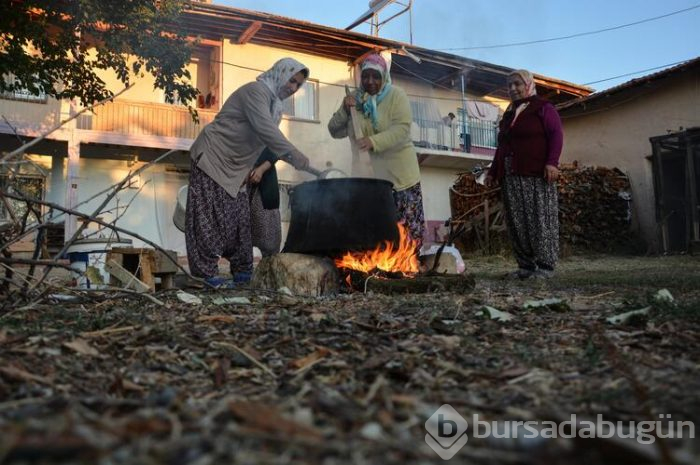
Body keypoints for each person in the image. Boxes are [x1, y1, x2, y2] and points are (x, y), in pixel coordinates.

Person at [186, 58, 310, 287]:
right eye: (291, 80)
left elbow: (260, 144)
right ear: (279, 74)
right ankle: (205, 276)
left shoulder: (276, 108)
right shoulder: (256, 92)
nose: (292, 88)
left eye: (298, 85)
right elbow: (265, 131)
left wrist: (251, 167)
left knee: (239, 221)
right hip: (212, 157)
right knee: (209, 219)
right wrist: (294, 155)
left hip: (235, 167)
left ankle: (243, 273)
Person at [327, 53, 426, 251]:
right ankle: (378, 267)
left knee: (405, 232)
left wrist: (373, 141)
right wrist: (345, 110)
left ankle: (409, 268)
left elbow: (402, 129)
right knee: (375, 228)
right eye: (365, 76)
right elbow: (334, 130)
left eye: (375, 76)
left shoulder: (396, 96)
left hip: (400, 177)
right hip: (369, 178)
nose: (370, 81)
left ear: (384, 77)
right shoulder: (354, 99)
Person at [484, 69, 563, 279]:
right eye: (509, 85)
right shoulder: (509, 114)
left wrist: (552, 163)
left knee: (539, 219)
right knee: (517, 221)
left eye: (517, 84)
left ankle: (545, 267)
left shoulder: (543, 108)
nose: (513, 89)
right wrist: (493, 172)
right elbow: (501, 146)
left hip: (536, 173)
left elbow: (556, 135)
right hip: (510, 175)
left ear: (528, 84)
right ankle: (525, 267)